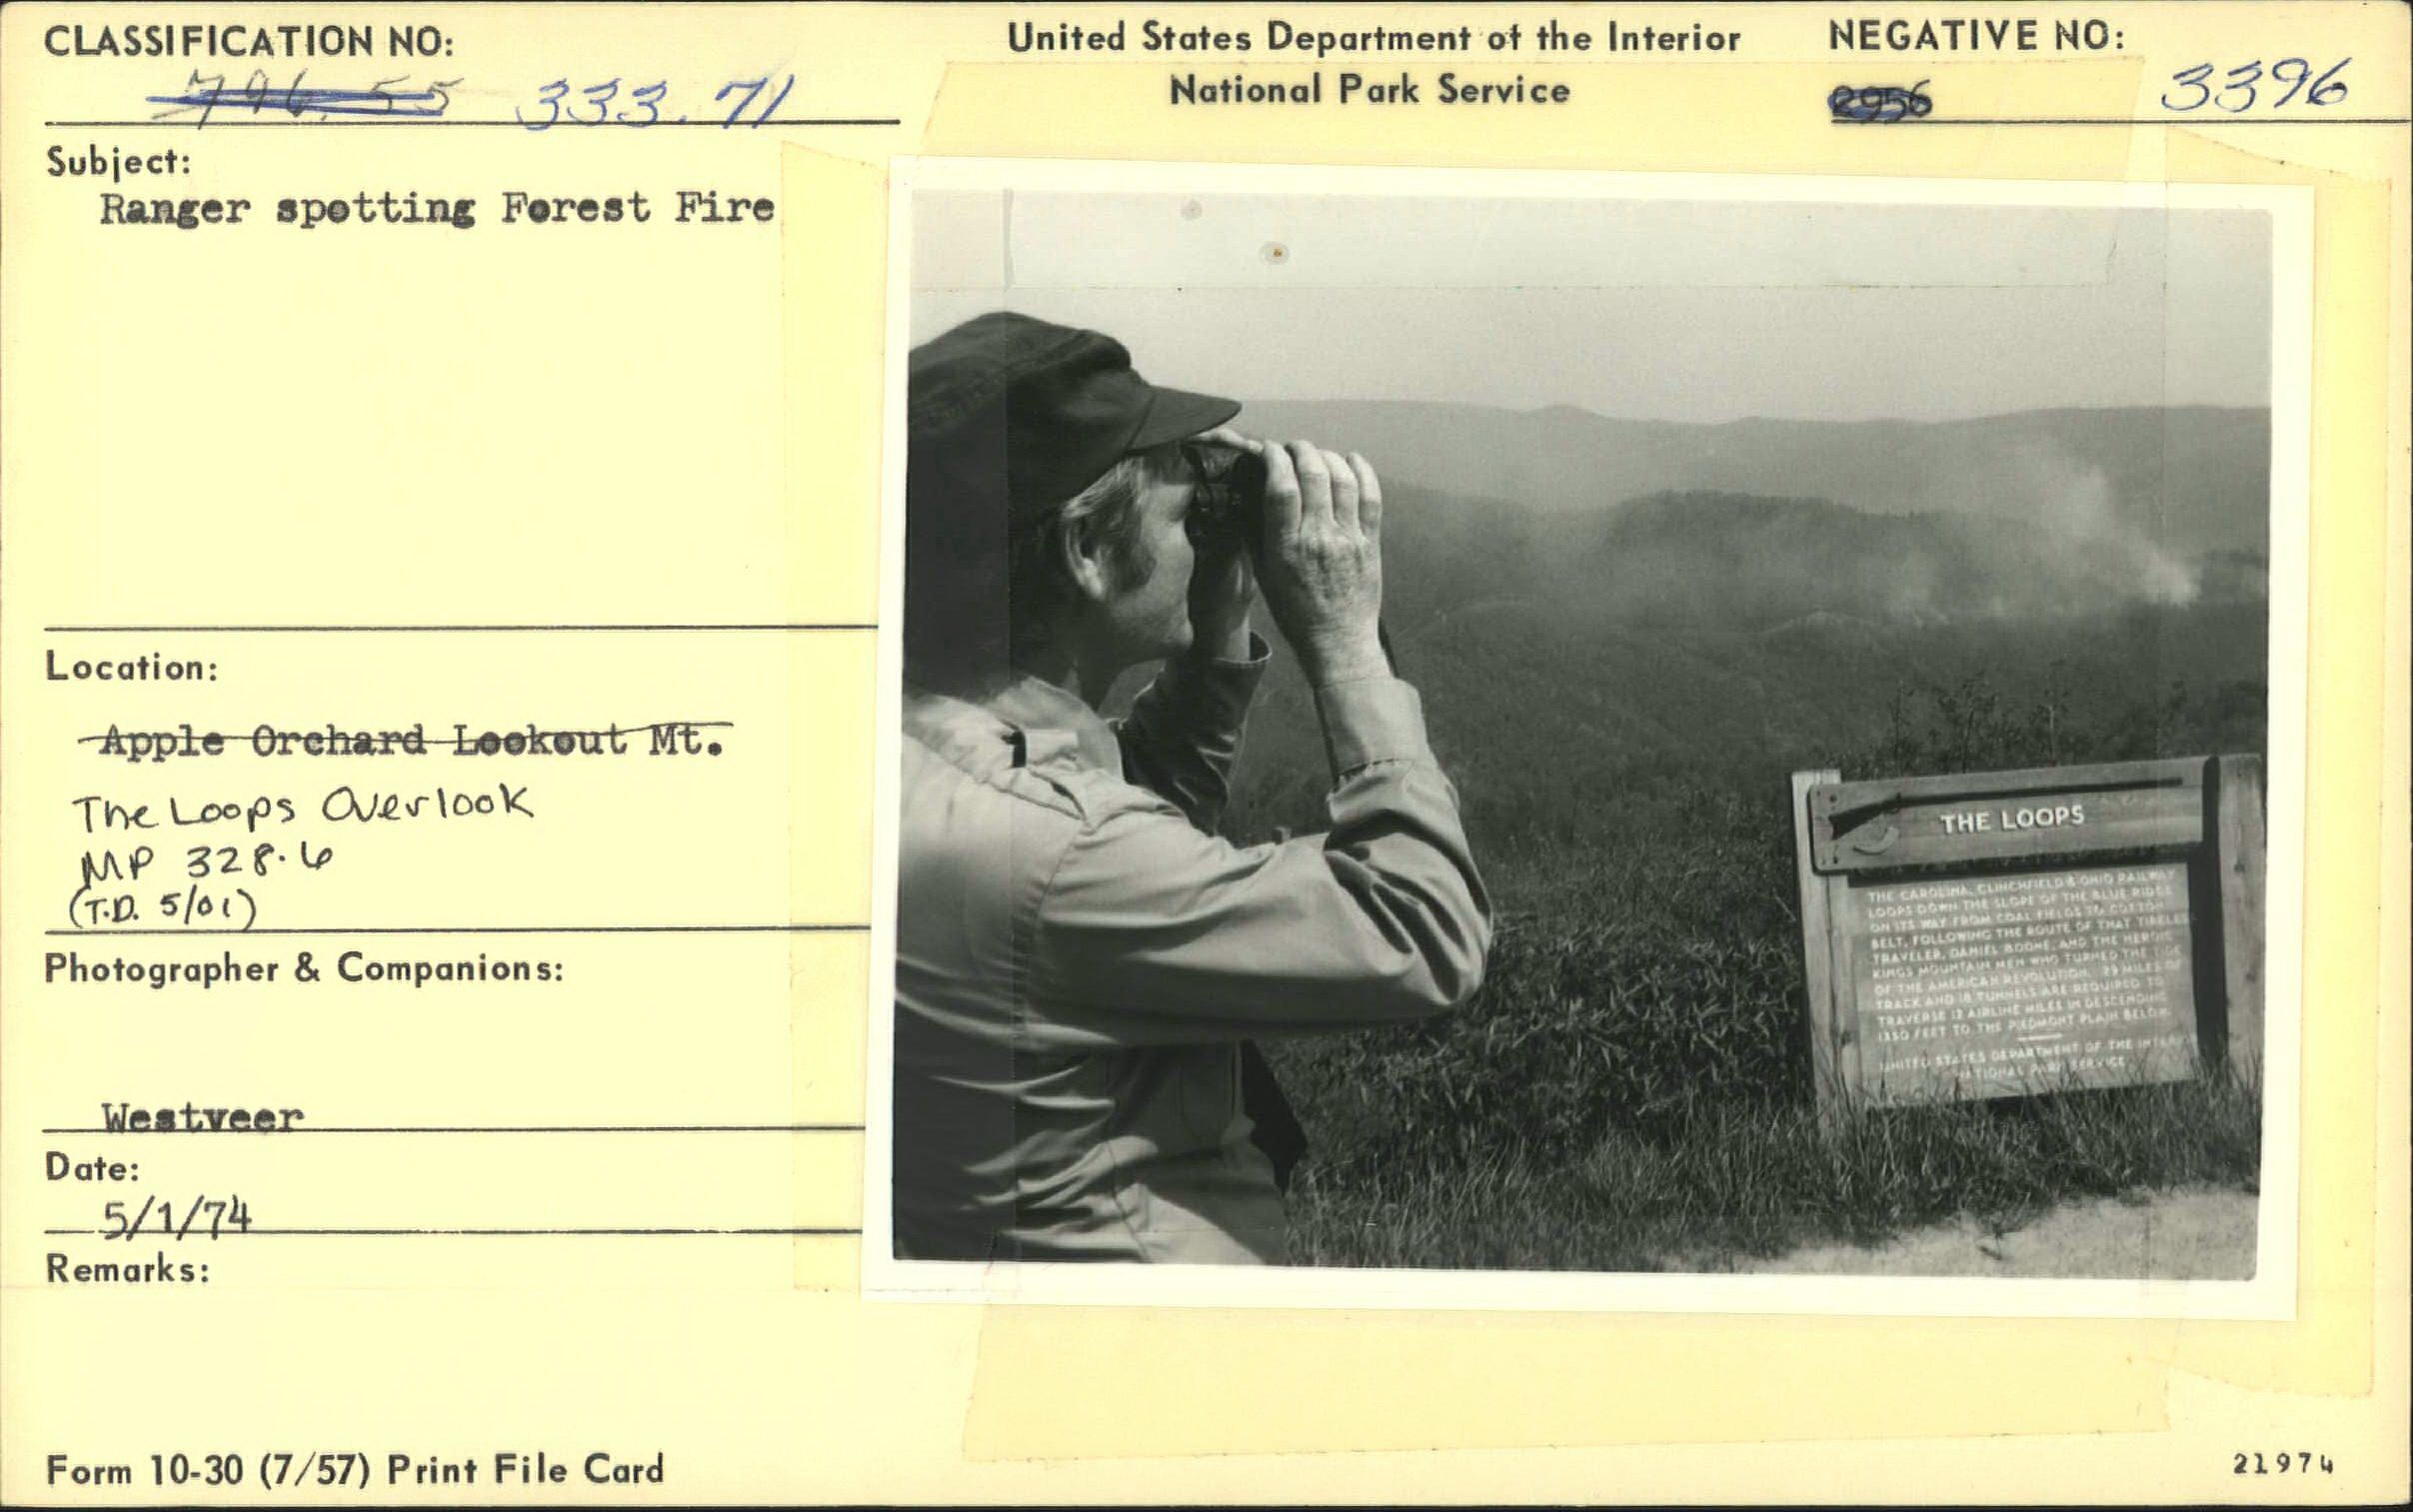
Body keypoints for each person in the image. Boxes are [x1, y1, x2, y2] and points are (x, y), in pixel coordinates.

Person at [893, 311, 1491, 1264]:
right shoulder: (1059, 854)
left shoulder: (921, 752)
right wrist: (1342, 646)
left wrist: (1219, 638)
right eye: (1185, 518)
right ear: (1087, 548)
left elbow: (1119, 822)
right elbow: (1422, 935)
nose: (1202, 537)